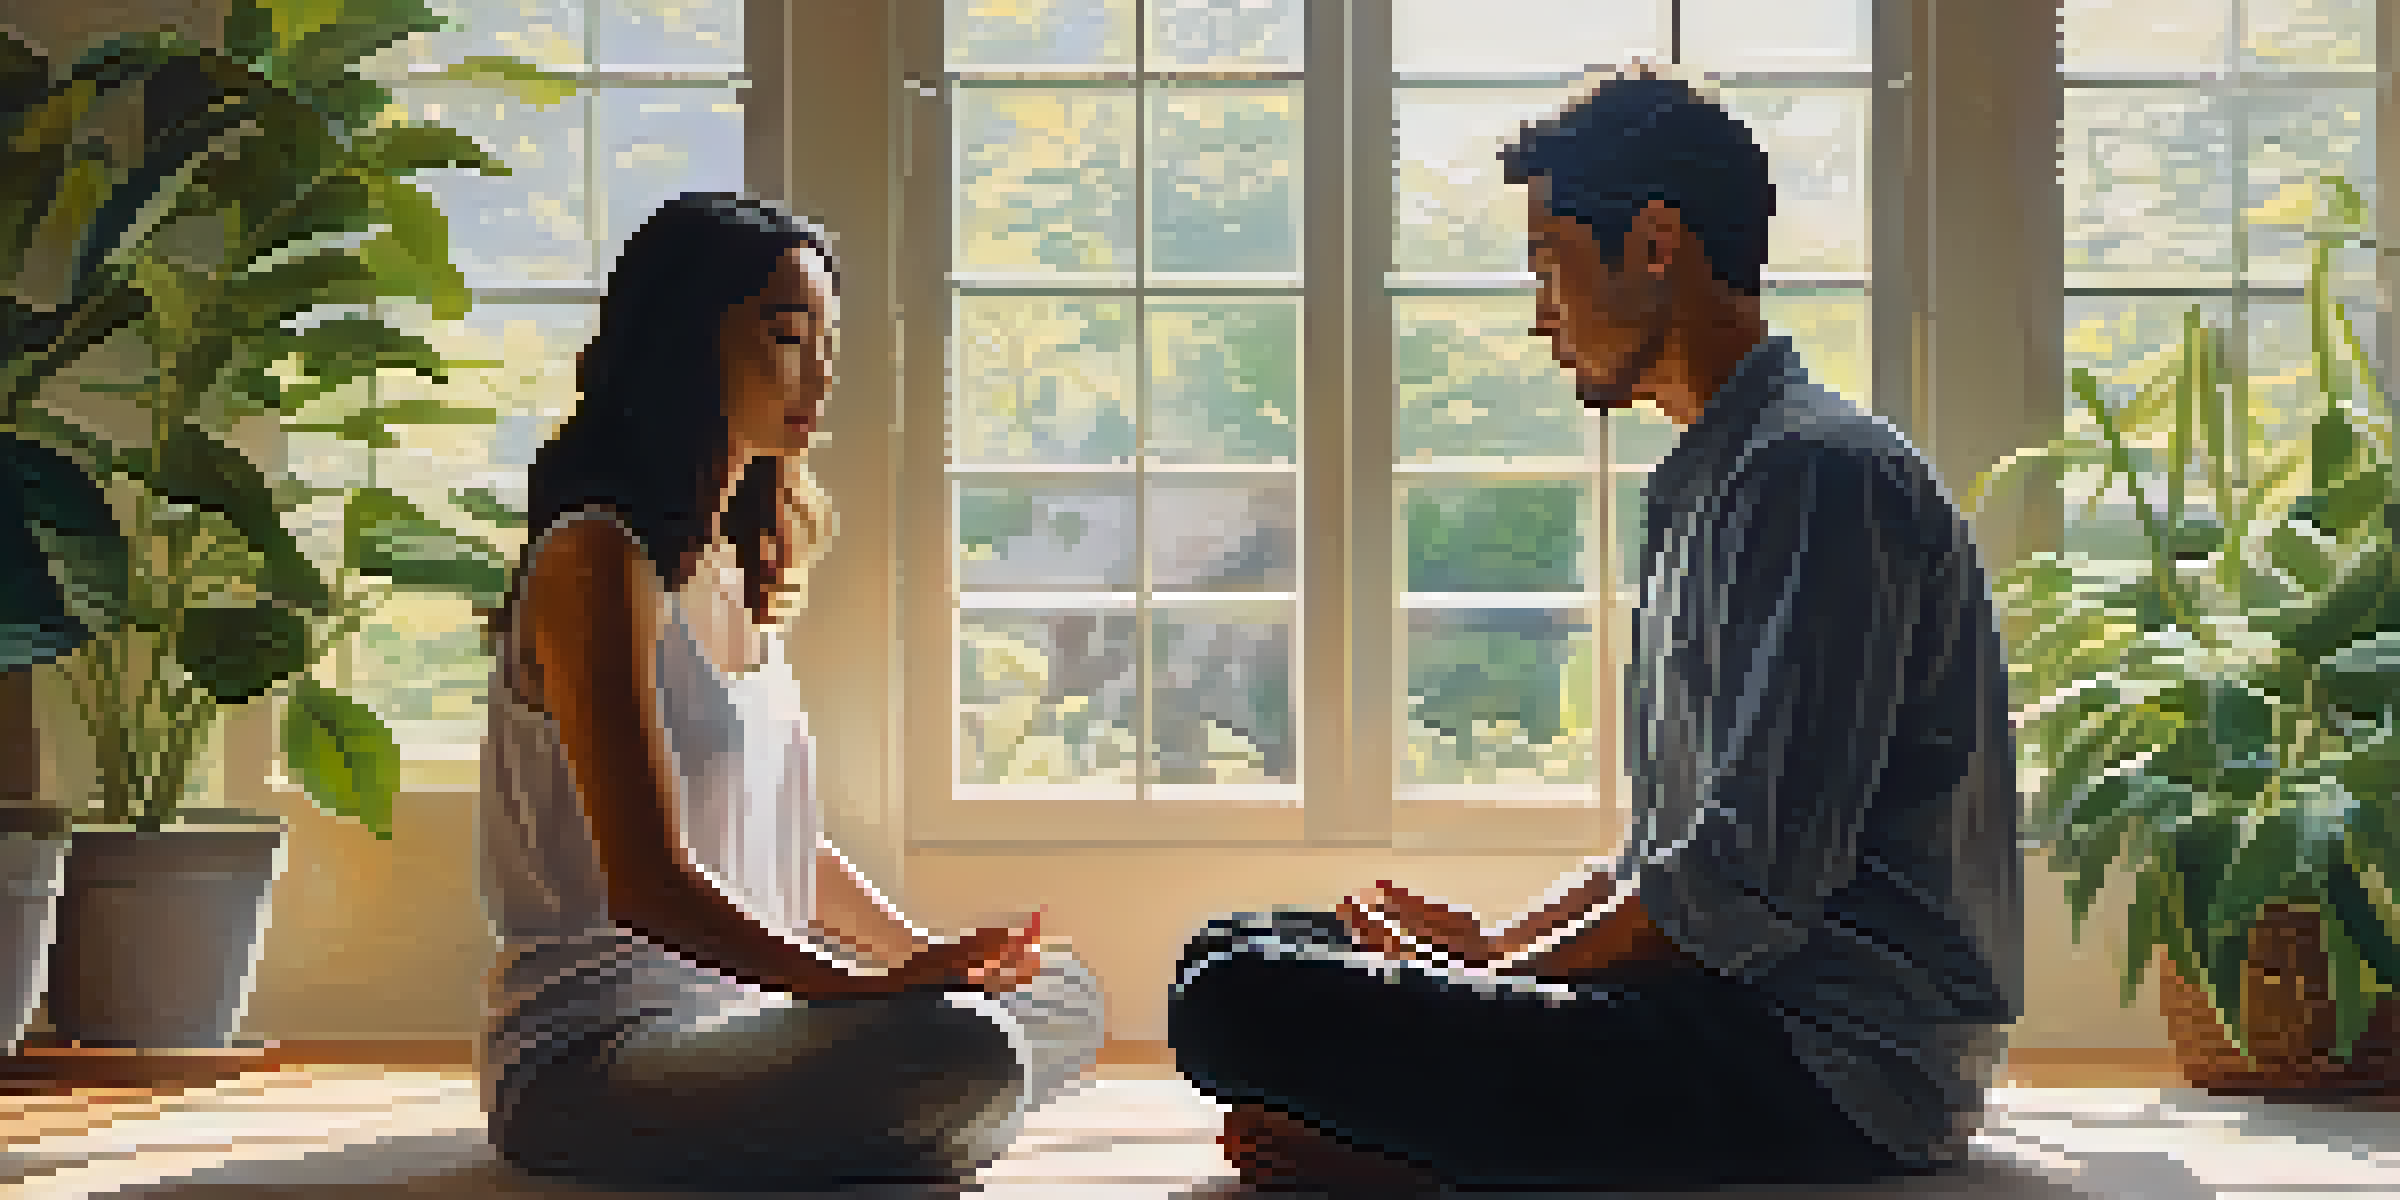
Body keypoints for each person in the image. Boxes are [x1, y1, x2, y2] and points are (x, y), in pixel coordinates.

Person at [1167, 71, 2024, 1194]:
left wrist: (1504, 982)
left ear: (1656, 243)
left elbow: (1739, 887)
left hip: (1827, 1059)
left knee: (1238, 1001)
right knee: (1235, 948)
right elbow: (1666, 860)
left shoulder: (1816, 478)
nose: (1540, 313)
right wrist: (1488, 949)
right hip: (1733, 1005)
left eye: (1549, 263)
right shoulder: (1722, 480)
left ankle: (1435, 1167)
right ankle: (1441, 1138)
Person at [476, 192, 1105, 1190]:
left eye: (828, 341)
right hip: (597, 1061)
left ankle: (892, 1125)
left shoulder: (732, 569)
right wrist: (865, 994)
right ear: (687, 340)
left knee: (1065, 998)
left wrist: (928, 958)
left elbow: (786, 846)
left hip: (753, 1026)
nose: (821, 372)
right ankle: (910, 1122)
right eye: (786, 336)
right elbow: (648, 884)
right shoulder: (596, 559)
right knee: (967, 1052)